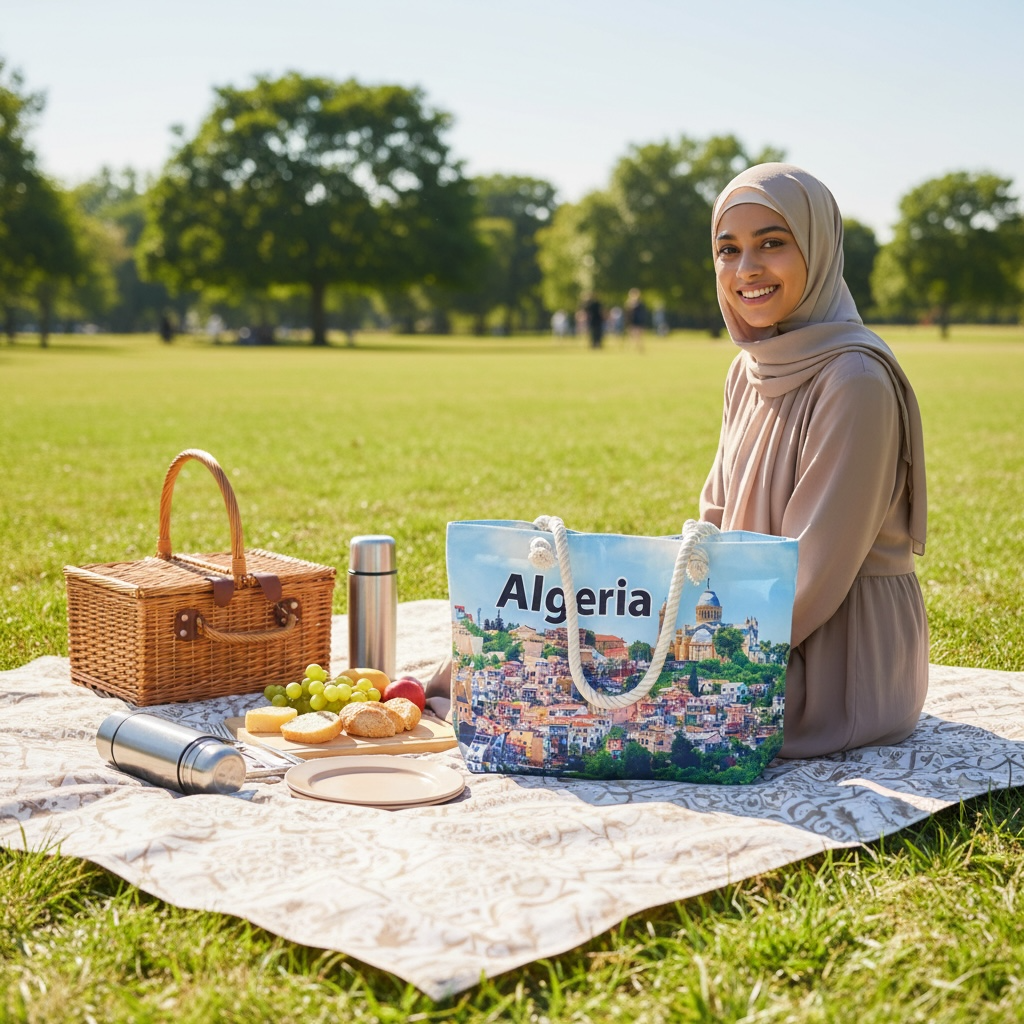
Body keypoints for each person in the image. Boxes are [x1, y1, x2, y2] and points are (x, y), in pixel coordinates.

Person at [699, 163, 929, 759]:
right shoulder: (747, 369)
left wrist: (706, 664)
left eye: (772, 243)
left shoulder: (856, 379)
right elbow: (713, 524)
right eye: (729, 249)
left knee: (618, 705)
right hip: (744, 629)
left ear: (819, 249)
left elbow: (814, 579)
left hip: (838, 664)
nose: (746, 268)